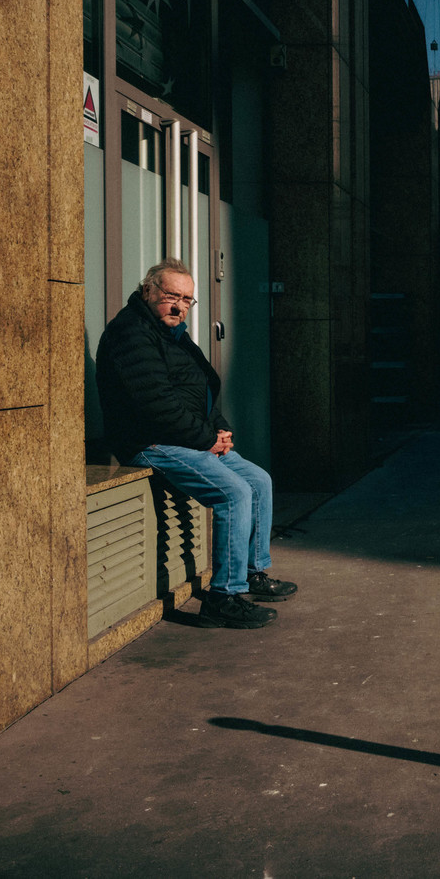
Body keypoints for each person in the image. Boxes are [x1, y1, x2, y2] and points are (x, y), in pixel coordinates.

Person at [96, 258, 297, 629]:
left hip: (185, 438)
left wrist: (220, 431)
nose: (179, 306)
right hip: (149, 442)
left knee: (258, 481)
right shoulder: (131, 334)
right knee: (233, 492)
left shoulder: (171, 333)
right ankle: (222, 597)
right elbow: (155, 405)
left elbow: (197, 393)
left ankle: (253, 572)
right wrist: (207, 439)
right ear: (148, 291)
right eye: (172, 296)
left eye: (187, 299)